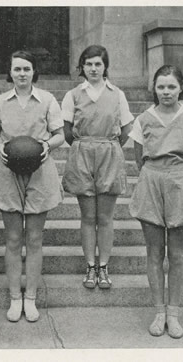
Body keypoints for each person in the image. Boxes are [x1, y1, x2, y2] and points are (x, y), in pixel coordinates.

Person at [0, 50, 64, 322]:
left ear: (33, 71)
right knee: (14, 239)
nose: (22, 74)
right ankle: (15, 298)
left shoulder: (48, 100)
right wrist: (0, 148)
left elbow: (59, 135)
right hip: (9, 171)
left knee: (36, 239)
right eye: (17, 69)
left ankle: (31, 298)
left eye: (26, 69)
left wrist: (45, 145)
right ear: (11, 72)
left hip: (40, 170)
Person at [129, 65, 183, 338]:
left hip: (181, 183)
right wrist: (156, 176)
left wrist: (178, 178)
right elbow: (138, 158)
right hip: (151, 181)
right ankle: (158, 311)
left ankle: (173, 314)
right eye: (161, 87)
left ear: (180, 88)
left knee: (177, 253)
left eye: (171, 87)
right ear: (154, 89)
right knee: (154, 252)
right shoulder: (143, 119)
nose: (166, 92)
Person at [61, 45, 134, 289]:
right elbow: (67, 131)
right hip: (82, 153)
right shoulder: (73, 95)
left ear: (105, 67)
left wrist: (107, 147)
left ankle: (103, 266)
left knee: (105, 216)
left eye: (98, 64)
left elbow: (125, 130)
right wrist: (87, 146)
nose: (93, 69)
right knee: (87, 215)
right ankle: (90, 265)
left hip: (109, 153)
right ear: (82, 67)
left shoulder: (117, 94)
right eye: (88, 64)